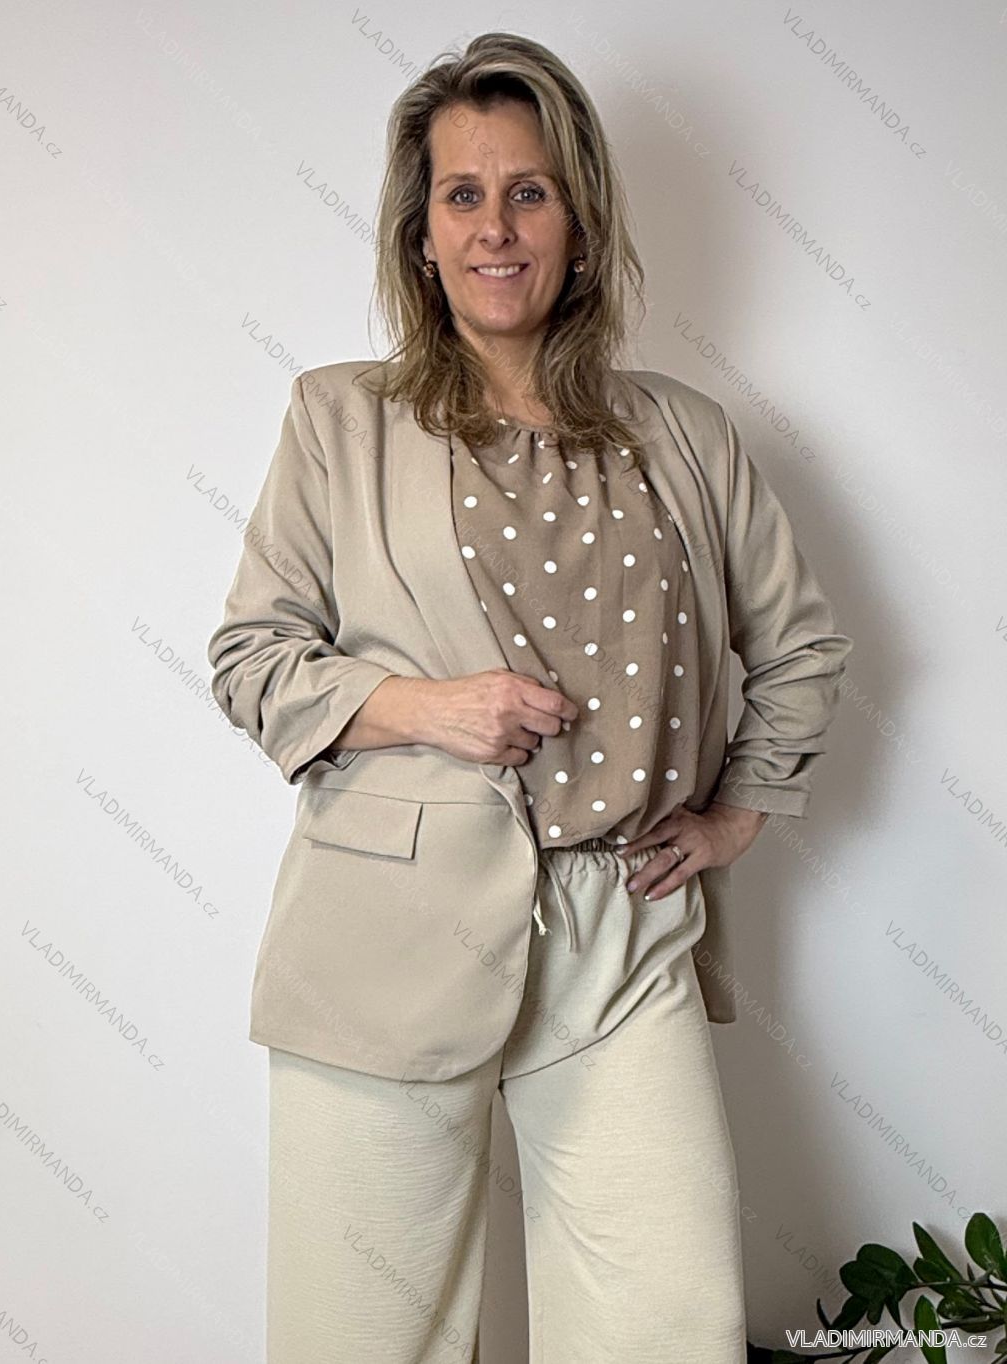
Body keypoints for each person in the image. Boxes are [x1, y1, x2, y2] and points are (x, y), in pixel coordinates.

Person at [207, 31, 853, 1364]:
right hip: (392, 930)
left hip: (624, 932)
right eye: (463, 194)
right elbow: (252, 657)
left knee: (666, 1326)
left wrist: (734, 818)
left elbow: (799, 648)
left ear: (581, 226)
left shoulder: (686, 433)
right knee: (363, 1340)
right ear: (421, 235)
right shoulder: (338, 419)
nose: (495, 226)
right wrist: (427, 707)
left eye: (529, 191)